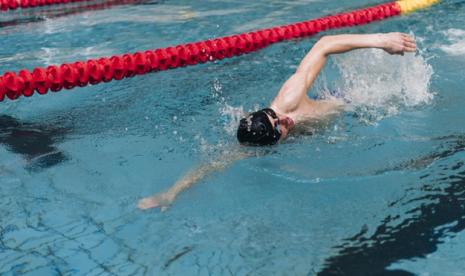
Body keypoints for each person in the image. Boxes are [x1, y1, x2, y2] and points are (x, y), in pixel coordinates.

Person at [138, 32, 417, 210]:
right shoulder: (254, 142)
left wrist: (380, 41)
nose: (285, 121)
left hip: (351, 101)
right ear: (271, 141)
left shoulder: (289, 99)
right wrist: (170, 193)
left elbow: (324, 44)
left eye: (278, 119)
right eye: (281, 128)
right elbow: (211, 165)